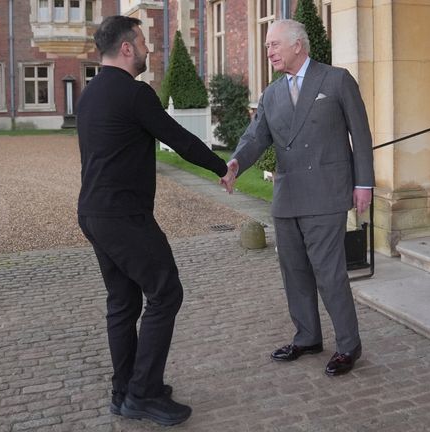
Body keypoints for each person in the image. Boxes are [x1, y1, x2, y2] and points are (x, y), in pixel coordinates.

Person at [76, 16, 236, 426]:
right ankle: (142, 394)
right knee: (166, 293)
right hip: (124, 216)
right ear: (127, 48)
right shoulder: (135, 93)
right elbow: (178, 138)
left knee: (123, 302)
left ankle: (124, 390)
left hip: (93, 212)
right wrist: (222, 166)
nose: (150, 50)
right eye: (144, 43)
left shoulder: (90, 93)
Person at [224, 19, 374, 376]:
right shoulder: (272, 93)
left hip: (327, 193)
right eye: (267, 46)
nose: (269, 51)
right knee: (294, 272)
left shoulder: (336, 80)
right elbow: (255, 137)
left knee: (328, 273)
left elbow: (361, 134)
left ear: (298, 45)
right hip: (287, 195)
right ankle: (307, 336)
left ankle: (348, 346)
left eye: (274, 44)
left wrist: (364, 183)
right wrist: (234, 164)